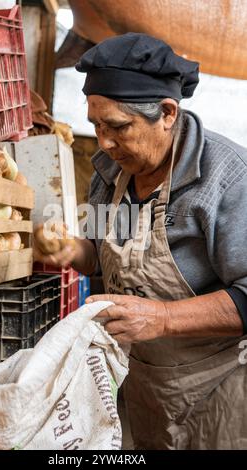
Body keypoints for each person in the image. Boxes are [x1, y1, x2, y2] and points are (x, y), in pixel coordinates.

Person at [34, 33, 247, 450]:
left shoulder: (228, 178)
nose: (104, 142)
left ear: (167, 113)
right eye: (96, 125)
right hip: (145, 382)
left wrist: (162, 318)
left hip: (218, 388)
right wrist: (71, 250)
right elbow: (101, 255)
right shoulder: (113, 172)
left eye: (117, 127)